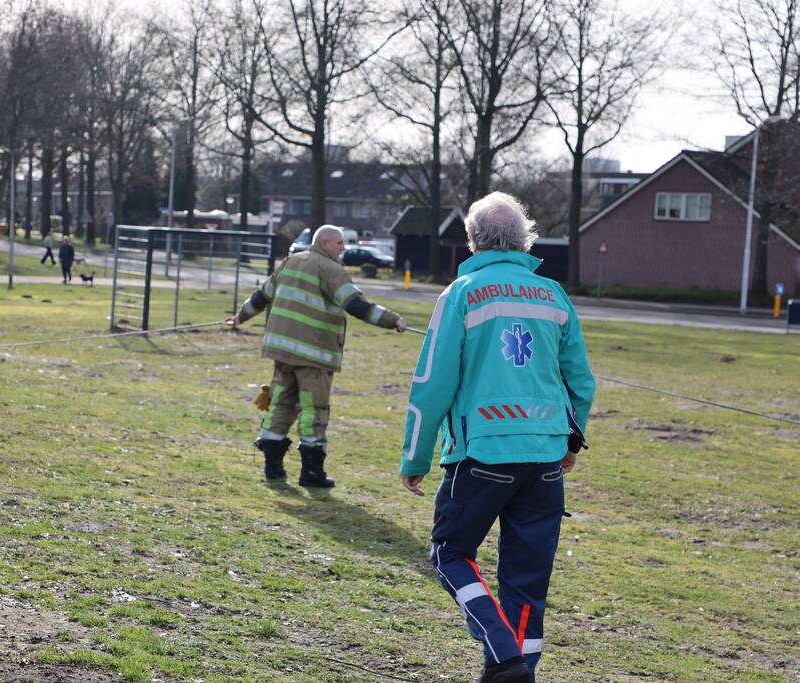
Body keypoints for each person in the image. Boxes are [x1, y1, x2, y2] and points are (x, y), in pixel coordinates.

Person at [399, 192, 596, 683]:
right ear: (525, 238)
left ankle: (504, 656)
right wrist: (570, 444)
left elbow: (431, 386)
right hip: (545, 458)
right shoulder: (553, 294)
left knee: (448, 553)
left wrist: (415, 457)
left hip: (482, 455)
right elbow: (582, 384)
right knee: (527, 583)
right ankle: (517, 671)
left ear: (472, 241)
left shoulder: (462, 293)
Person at [229, 225, 407, 487]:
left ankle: (273, 467)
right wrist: (393, 321)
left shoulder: (289, 262)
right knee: (315, 410)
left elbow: (261, 295)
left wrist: (239, 317)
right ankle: (312, 472)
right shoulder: (332, 270)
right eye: (338, 243)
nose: (343, 248)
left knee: (280, 404)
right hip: (313, 355)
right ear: (324, 243)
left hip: (282, 352)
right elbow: (356, 305)